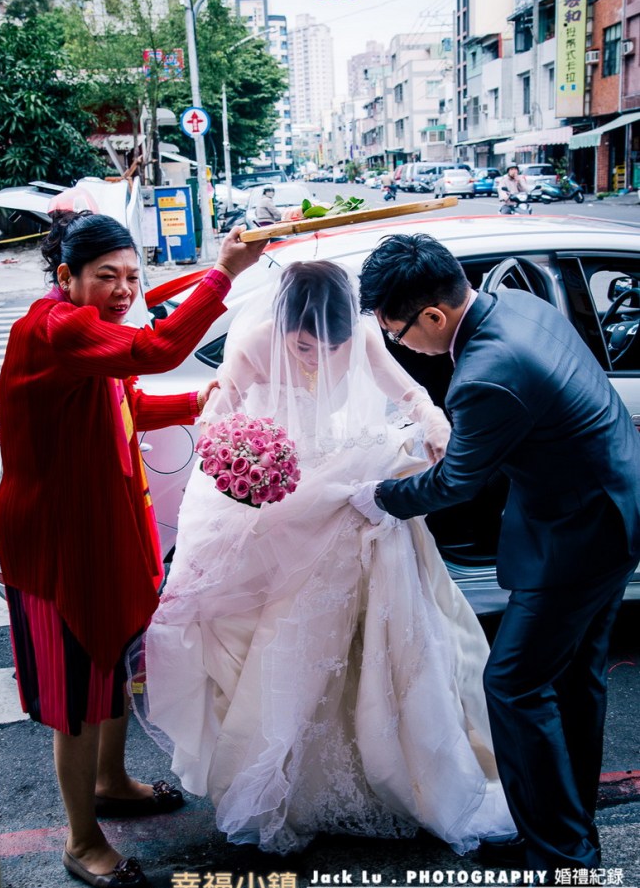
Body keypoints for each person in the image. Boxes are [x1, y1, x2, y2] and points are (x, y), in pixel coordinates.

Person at [138, 259, 516, 856]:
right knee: (288, 636)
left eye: (329, 345)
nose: (315, 356)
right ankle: (293, 775)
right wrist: (240, 461)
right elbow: (220, 415)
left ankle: (397, 760)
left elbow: (411, 395)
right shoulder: (257, 340)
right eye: (305, 345)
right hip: (286, 500)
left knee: (381, 634)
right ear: (283, 324)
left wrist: (437, 425)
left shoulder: (362, 336)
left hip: (349, 489)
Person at [353, 233, 640, 888]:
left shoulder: (486, 372)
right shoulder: (514, 305)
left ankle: (567, 868)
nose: (397, 344)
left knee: (511, 684)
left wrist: (381, 496)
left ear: (432, 316)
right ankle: (562, 829)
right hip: (605, 509)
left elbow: (454, 482)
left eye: (395, 330)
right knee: (569, 679)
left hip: (577, 534)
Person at [0, 210, 267, 888]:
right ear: (66, 277)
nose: (122, 289)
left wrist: (194, 401)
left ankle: (112, 781)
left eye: (131, 276)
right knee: (76, 695)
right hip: (56, 543)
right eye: (106, 276)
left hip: (101, 524)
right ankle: (81, 840)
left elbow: (124, 399)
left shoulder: (88, 338)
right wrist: (222, 273)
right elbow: (159, 349)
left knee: (113, 657)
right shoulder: (54, 328)